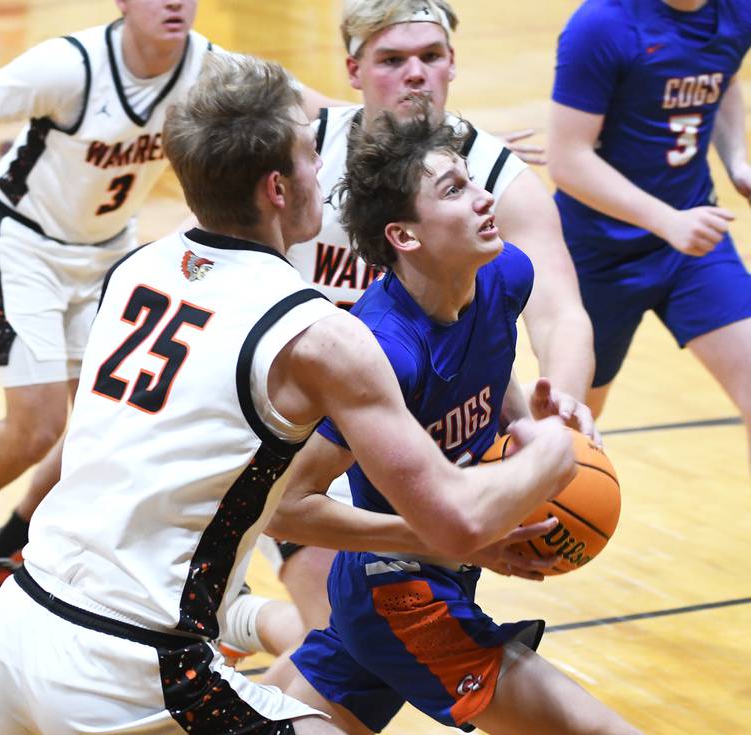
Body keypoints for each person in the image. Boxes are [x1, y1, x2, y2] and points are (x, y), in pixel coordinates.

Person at [0, 53, 581, 735]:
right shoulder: (319, 335)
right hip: (137, 669)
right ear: (278, 188)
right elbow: (458, 518)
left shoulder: (134, 272)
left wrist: (427, 543)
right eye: (315, 156)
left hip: (21, 627)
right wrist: (551, 452)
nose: (327, 173)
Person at [0, 0, 341, 611]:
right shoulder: (69, 66)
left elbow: (320, 109)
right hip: (23, 240)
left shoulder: (206, 64)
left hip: (109, 251)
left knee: (106, 416)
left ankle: (7, 548)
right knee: (39, 424)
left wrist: (445, 138)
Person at [261, 110, 638, 734]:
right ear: (405, 237)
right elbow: (285, 506)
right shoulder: (383, 350)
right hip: (401, 594)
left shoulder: (502, 273)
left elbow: (489, 364)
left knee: (280, 722)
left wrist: (531, 417)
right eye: (455, 190)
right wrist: (436, 538)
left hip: (436, 575)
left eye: (472, 180)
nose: (486, 196)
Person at [246, 0, 597, 667]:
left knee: (349, 651)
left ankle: (249, 626)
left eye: (430, 57)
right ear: (354, 70)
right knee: (338, 626)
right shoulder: (304, 153)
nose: (415, 75)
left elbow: (558, 310)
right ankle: (248, 623)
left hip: (417, 443)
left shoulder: (494, 181)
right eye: (392, 60)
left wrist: (565, 400)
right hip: (294, 435)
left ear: (454, 64)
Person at [547, 0, 751, 468]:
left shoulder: (737, 12)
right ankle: (536, 536)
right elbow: (567, 159)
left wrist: (736, 159)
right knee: (574, 428)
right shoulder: (602, 24)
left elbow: (724, 78)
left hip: (692, 244)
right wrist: (668, 221)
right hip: (596, 254)